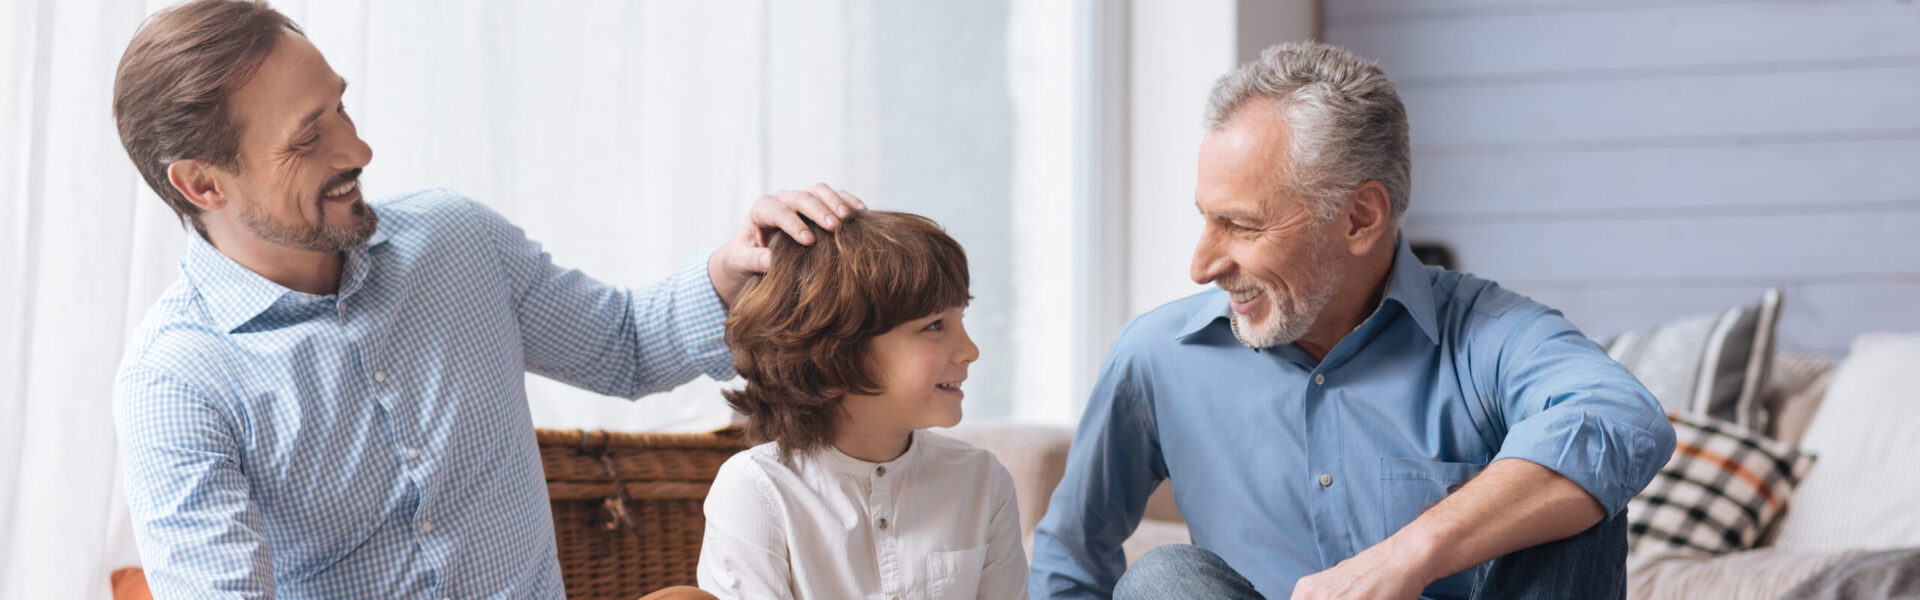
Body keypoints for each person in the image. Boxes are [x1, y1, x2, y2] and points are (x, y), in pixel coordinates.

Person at [108, 1, 861, 596]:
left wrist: (733, 269)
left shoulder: (455, 242)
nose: (357, 151)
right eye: (309, 139)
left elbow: (624, 343)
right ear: (204, 184)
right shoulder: (178, 383)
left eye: (340, 106)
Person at [1028, 41, 1677, 599]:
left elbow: (1623, 418)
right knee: (1163, 579)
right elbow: (1070, 557)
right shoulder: (1156, 357)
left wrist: (1406, 556)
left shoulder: (1486, 334)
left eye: (1242, 225)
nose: (1201, 265)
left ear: (1360, 218)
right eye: (1205, 216)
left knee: (1576, 492)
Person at [693, 210, 1028, 600]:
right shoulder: (757, 491)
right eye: (935, 325)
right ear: (837, 351)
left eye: (961, 319)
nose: (970, 350)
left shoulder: (983, 481)